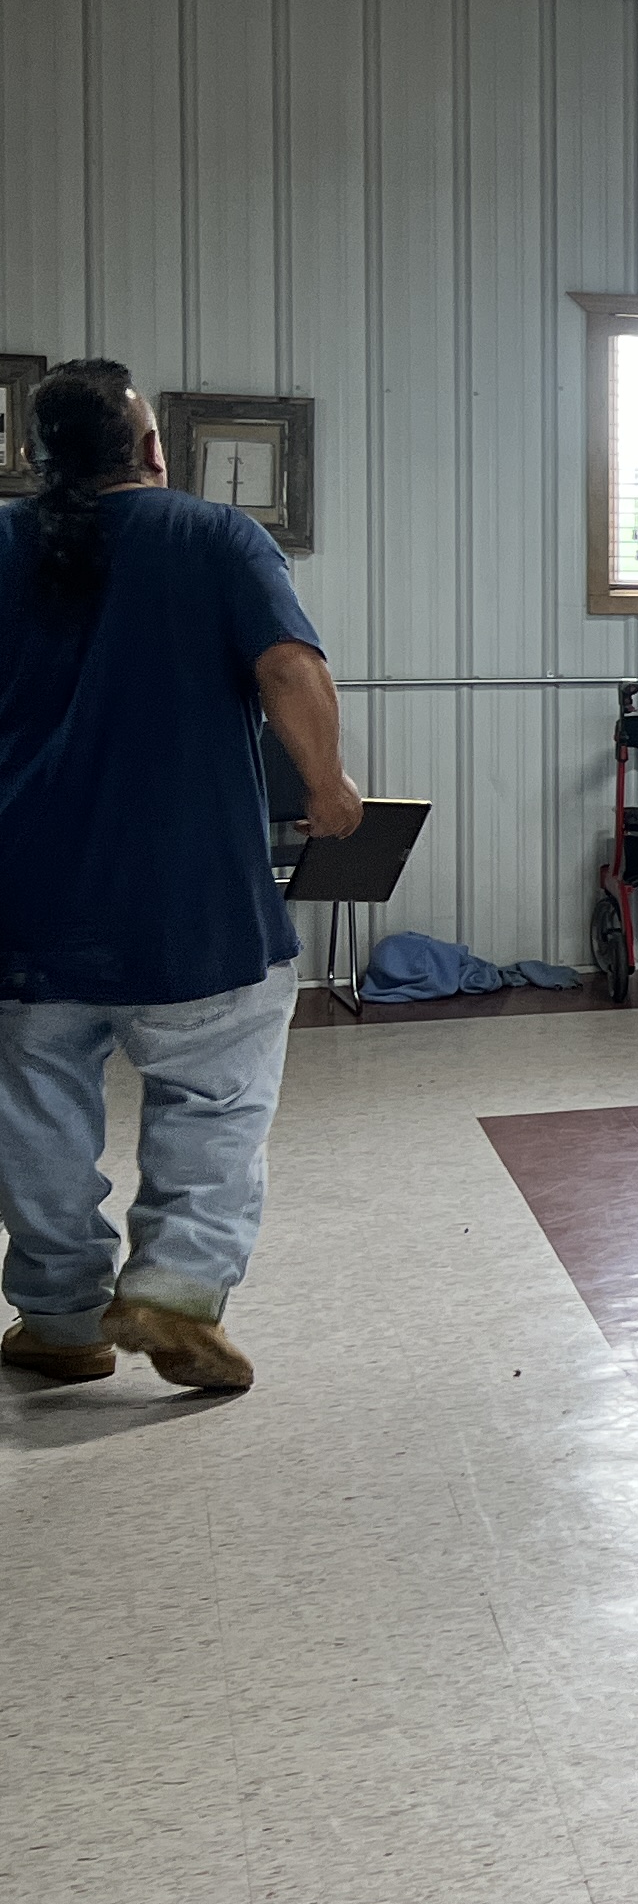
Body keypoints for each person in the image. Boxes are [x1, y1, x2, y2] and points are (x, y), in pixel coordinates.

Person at [0, 358, 359, 1393]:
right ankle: (176, 1287)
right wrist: (327, 787)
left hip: (26, 897)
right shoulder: (212, 536)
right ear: (152, 451)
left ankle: (61, 1319)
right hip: (193, 894)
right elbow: (290, 667)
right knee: (214, 1095)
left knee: (33, 1107)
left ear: (38, 457)